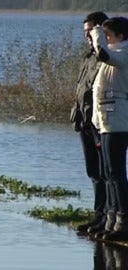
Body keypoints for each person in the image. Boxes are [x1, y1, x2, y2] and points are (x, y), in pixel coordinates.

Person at [90, 16, 128, 241]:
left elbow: (103, 54)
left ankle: (123, 220)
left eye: (108, 36)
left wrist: (96, 34)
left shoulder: (123, 52)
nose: (104, 40)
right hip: (106, 120)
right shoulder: (115, 54)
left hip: (119, 121)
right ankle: (111, 217)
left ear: (120, 36)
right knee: (108, 172)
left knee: (116, 172)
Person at [71, 11, 109, 234]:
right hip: (84, 122)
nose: (87, 36)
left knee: (108, 172)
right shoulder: (87, 58)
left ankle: (110, 215)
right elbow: (81, 90)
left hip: (101, 123)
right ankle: (99, 214)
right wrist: (76, 116)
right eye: (85, 32)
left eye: (90, 32)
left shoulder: (107, 57)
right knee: (93, 171)